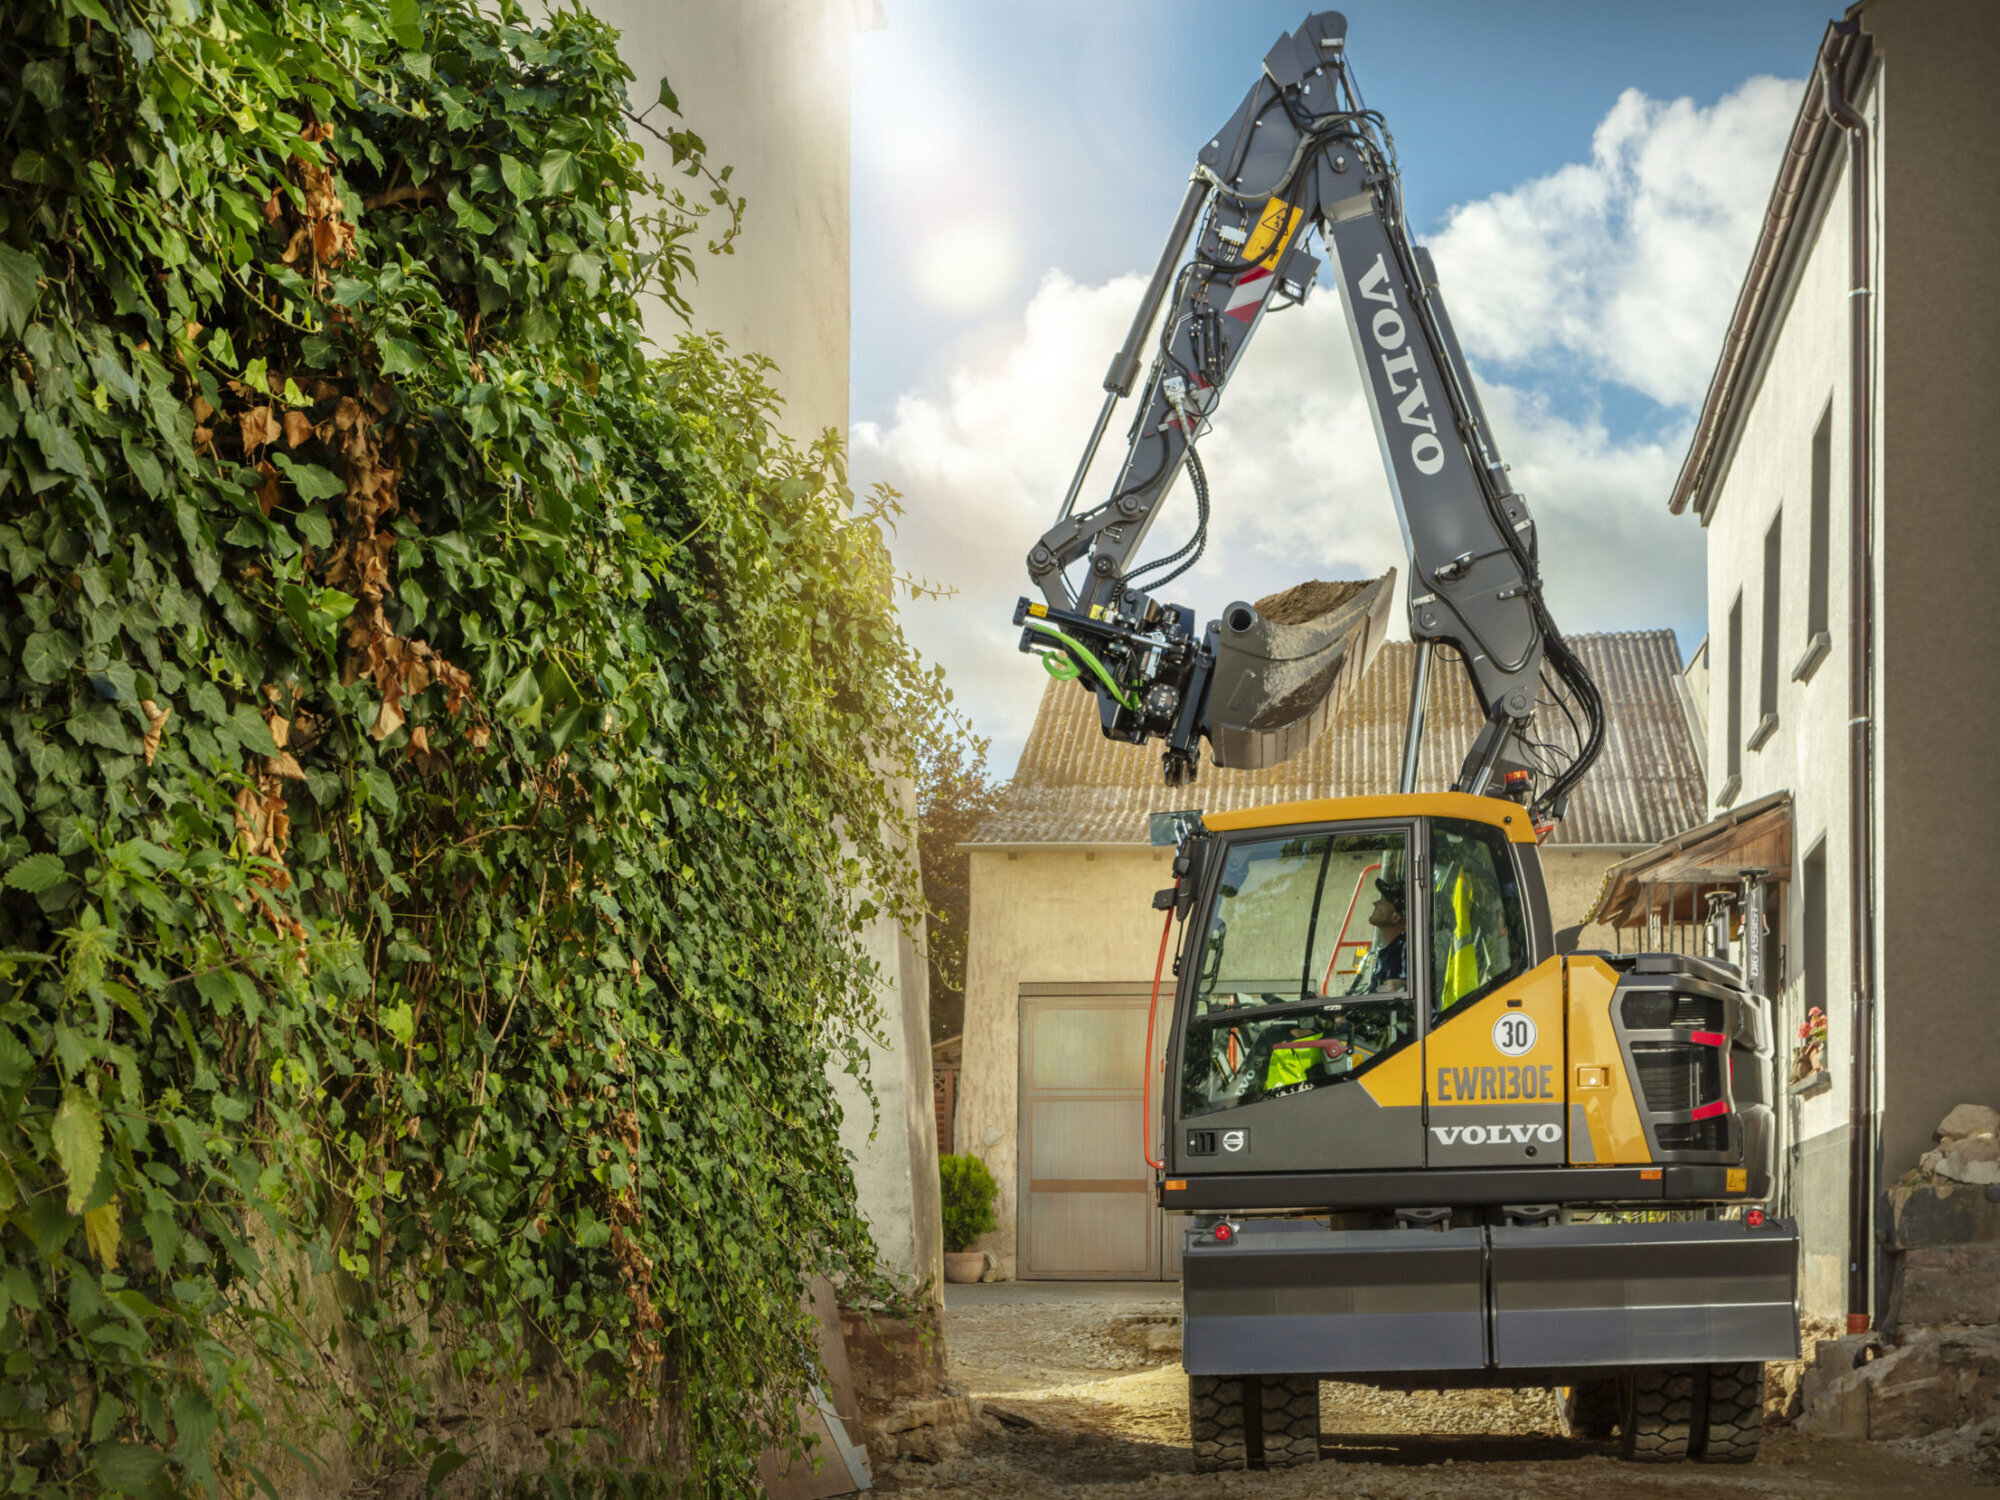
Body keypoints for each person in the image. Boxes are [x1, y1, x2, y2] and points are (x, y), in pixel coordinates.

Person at [1347, 876, 1407, 995]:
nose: (1375, 903)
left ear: (1395, 917)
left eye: (1383, 901)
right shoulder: (1390, 951)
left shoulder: (1401, 953)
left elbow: (1392, 994)